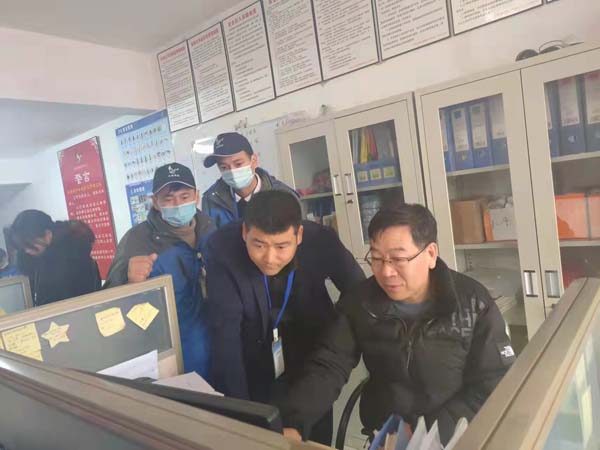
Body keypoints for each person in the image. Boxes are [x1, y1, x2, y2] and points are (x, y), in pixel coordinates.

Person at [279, 204, 515, 445]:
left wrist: (427, 431)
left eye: (398, 259)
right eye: (377, 258)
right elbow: (329, 365)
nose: (386, 272)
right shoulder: (361, 303)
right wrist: (294, 421)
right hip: (388, 435)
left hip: (456, 435)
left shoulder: (473, 303)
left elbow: (495, 381)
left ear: (430, 254)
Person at [205, 190, 365, 445]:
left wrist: (338, 338)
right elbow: (226, 336)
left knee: (312, 436)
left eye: (281, 246)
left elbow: (359, 293)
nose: (269, 258)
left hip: (313, 353)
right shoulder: (222, 248)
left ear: (298, 235)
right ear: (245, 232)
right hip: (253, 355)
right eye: (259, 245)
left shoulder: (321, 241)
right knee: (257, 433)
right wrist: (241, 414)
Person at [105, 163, 215, 378]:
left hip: (217, 347)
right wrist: (130, 283)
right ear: (155, 202)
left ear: (196, 196)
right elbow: (108, 304)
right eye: (168, 199)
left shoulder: (210, 229)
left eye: (184, 196)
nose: (178, 204)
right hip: (172, 357)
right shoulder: (137, 240)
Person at [201, 132, 297, 228]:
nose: (232, 171)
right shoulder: (211, 200)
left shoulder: (283, 196)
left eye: (238, 164)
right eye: (224, 167)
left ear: (254, 161)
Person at [9, 210, 100, 305]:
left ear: (48, 234)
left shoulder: (72, 261)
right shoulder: (36, 262)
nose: (27, 251)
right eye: (23, 247)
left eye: (30, 245)